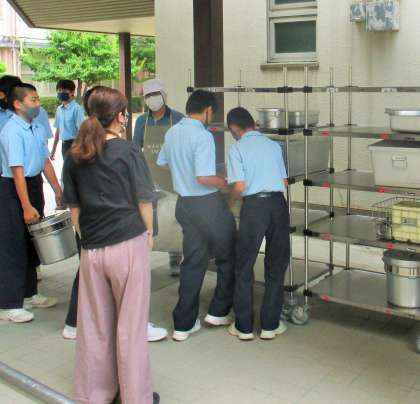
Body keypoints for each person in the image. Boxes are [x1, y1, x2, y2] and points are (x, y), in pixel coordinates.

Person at [63, 86, 159, 404]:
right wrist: (149, 233)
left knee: (94, 325)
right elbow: (144, 200)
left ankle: (95, 394)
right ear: (120, 115)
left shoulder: (75, 154)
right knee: (131, 326)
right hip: (127, 244)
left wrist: (87, 238)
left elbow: (73, 208)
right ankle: (135, 397)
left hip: (91, 249)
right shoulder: (128, 151)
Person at [157, 90, 236, 341]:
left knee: (192, 262)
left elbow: (162, 163)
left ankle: (184, 324)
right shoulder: (203, 136)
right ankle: (218, 311)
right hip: (208, 205)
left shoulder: (173, 132)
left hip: (185, 205)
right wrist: (224, 183)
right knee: (229, 255)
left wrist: (182, 171)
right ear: (208, 110)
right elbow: (204, 177)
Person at [226, 107, 290, 341]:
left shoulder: (236, 148)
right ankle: (270, 326)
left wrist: (229, 204)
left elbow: (239, 186)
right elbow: (284, 181)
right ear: (253, 122)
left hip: (254, 208)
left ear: (233, 128)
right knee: (276, 264)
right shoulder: (273, 146)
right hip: (278, 205)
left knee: (244, 265)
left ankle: (243, 327)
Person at [0, 83, 61, 323]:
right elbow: (17, 170)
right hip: (13, 189)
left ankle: (29, 293)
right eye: (33, 100)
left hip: (33, 184)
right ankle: (9, 305)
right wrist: (25, 206)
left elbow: (45, 161)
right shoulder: (11, 131)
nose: (37, 104)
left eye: (37, 99)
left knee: (31, 243)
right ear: (18, 104)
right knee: (13, 246)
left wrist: (58, 191)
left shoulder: (36, 126)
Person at [134, 78, 184, 277]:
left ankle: (175, 257)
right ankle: (143, 257)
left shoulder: (178, 118)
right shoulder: (141, 121)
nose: (152, 99)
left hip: (173, 177)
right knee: (149, 220)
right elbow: (136, 149)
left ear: (164, 96)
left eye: (155, 94)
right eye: (148, 95)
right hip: (149, 177)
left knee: (174, 220)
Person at [50, 79, 85, 160]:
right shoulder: (59, 109)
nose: (61, 92)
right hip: (64, 145)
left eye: (64, 90)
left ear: (72, 92)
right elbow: (58, 130)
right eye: (59, 90)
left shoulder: (77, 109)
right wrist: (53, 150)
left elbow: (81, 131)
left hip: (75, 145)